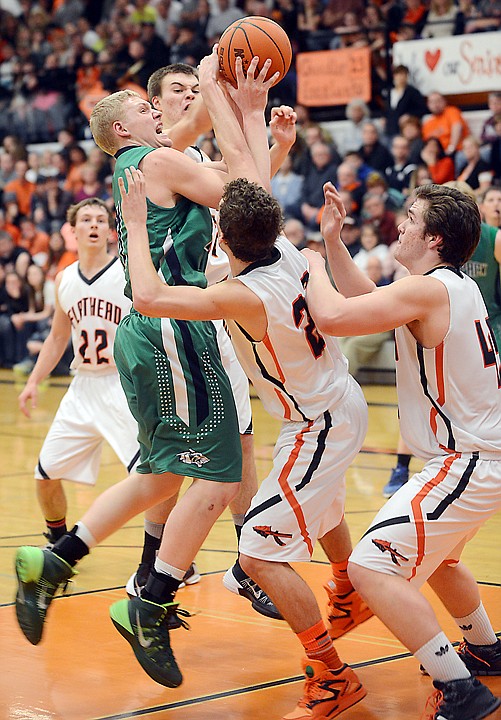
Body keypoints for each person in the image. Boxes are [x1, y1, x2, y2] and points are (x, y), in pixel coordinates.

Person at [14, 49, 284, 690]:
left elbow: (200, 145)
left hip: (156, 331)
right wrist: (233, 97)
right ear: (126, 131)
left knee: (163, 475)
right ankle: (151, 599)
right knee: (223, 479)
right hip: (174, 330)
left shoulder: (150, 158)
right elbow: (251, 199)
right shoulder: (158, 160)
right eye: (147, 104)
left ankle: (54, 560)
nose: (163, 107)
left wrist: (237, 112)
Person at [119, 166, 370, 720]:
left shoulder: (242, 296)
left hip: (317, 422)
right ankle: (349, 589)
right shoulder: (290, 248)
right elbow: (249, 176)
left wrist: (136, 224)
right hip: (336, 401)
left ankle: (332, 676)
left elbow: (149, 297)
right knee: (324, 507)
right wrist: (257, 121)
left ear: (225, 240)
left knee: (255, 554)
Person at [304, 181, 501, 719]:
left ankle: (460, 691)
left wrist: (312, 266)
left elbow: (335, 317)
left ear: (434, 238)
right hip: (477, 461)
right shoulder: (448, 286)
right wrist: (334, 245)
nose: (401, 224)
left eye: (411, 217)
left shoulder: (430, 290)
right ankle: (485, 647)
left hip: (468, 463)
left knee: (370, 569)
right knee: (441, 560)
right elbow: (370, 299)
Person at [126, 60, 298, 616]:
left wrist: (274, 143)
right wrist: (224, 88)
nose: (184, 98)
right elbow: (230, 170)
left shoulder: (191, 158)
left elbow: (249, 194)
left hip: (211, 310)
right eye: (174, 92)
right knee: (182, 458)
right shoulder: (162, 147)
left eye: (189, 90)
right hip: (173, 316)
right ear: (156, 105)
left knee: (235, 445)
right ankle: (152, 565)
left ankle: (236, 564)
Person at [16, 198, 139, 545]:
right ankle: (57, 543)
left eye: (101, 219)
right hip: (83, 385)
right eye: (86, 219)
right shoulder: (64, 278)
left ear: (111, 231)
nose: (94, 224)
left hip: (122, 384)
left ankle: (172, 561)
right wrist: (33, 381)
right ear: (73, 230)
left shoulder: (127, 274)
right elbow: (57, 337)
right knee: (45, 474)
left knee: (149, 479)